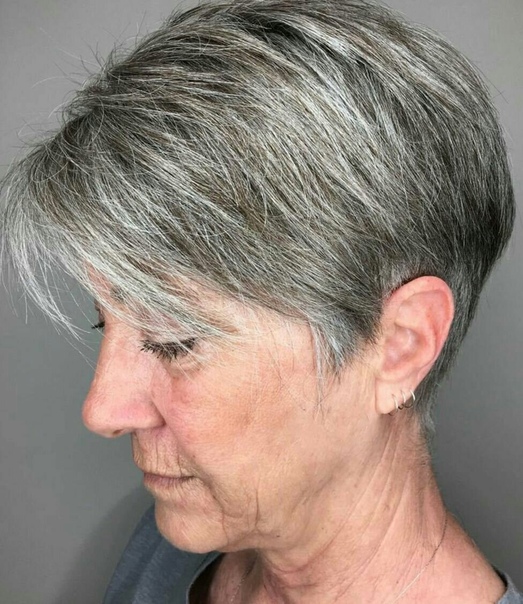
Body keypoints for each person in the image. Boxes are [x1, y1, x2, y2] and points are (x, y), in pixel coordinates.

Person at [1, 0, 521, 602]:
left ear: (400, 346)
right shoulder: (169, 545)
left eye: (174, 340)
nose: (102, 410)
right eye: (103, 323)